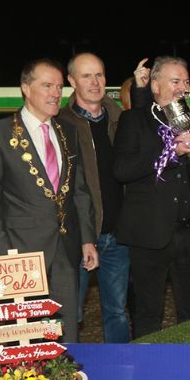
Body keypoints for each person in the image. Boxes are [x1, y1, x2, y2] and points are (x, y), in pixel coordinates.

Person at [0, 60, 98, 342]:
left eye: (59, 86)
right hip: (19, 256)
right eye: (47, 85)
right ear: (25, 88)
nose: (55, 93)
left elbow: (79, 190)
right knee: (24, 337)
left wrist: (87, 239)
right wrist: (0, 259)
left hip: (66, 251)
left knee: (67, 329)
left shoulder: (67, 132)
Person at [112, 56, 190, 336]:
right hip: (149, 235)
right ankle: (147, 374)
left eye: (186, 82)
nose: (182, 88)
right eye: (175, 81)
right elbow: (122, 170)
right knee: (148, 314)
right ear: (155, 85)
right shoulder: (134, 120)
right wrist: (170, 154)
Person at [61, 51, 130, 343]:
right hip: (77, 236)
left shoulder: (121, 119)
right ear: (72, 80)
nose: (94, 82)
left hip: (117, 236)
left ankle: (122, 376)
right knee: (71, 313)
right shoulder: (61, 124)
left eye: (99, 74)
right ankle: (67, 378)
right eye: (86, 75)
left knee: (117, 312)